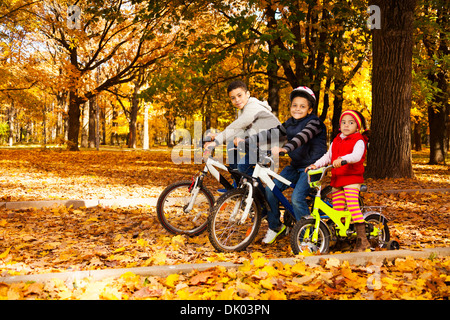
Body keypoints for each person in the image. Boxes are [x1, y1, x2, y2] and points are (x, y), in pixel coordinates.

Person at [238, 86, 327, 244]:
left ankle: (308, 236)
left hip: (313, 167)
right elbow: (271, 133)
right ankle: (275, 226)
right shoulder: (290, 123)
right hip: (295, 166)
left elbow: (302, 137)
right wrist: (247, 140)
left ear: (310, 109)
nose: (297, 109)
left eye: (302, 106)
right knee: (271, 190)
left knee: (297, 198)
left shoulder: (315, 123)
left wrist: (285, 148)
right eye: (294, 105)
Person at [307, 110, 370, 252]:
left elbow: (357, 155)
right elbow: (328, 156)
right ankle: (343, 241)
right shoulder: (336, 140)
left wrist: (344, 159)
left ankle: (363, 240)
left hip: (352, 178)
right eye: (344, 122)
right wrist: (315, 165)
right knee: (337, 211)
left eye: (351, 122)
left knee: (353, 206)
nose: (346, 125)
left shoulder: (359, 140)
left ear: (357, 127)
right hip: (337, 179)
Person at [204, 80, 281, 176]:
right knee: (232, 146)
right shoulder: (243, 110)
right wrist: (217, 136)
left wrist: (216, 142)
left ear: (247, 94)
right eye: (233, 98)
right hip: (260, 144)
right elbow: (240, 133)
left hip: (272, 145)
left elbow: (236, 127)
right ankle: (238, 184)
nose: (237, 100)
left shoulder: (253, 107)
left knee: (242, 167)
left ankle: (254, 190)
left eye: (239, 95)